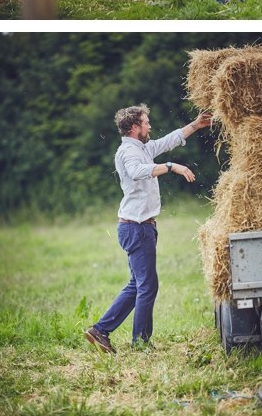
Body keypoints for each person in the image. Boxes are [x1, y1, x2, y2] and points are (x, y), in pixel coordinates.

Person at [84, 103, 213, 354]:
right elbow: (137, 171)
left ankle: (100, 331)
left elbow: (168, 140)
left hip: (139, 227)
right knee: (147, 286)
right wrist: (170, 166)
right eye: (146, 122)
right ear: (134, 127)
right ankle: (140, 343)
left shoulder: (141, 148)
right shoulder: (128, 153)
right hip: (137, 228)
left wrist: (196, 125)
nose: (149, 126)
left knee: (138, 284)